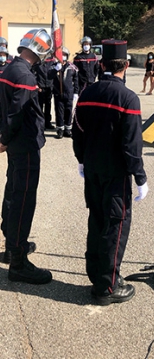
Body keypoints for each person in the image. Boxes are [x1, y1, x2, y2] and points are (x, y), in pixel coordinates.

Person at [72, 39, 147, 305]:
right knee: (115, 225)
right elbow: (131, 144)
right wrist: (139, 176)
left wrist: (81, 160)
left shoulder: (87, 93)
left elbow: (77, 130)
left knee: (97, 220)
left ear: (101, 64)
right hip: (116, 173)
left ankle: (97, 274)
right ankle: (107, 286)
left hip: (92, 169)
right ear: (126, 66)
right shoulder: (128, 97)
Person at [0, 29, 53, 284]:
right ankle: (18, 261)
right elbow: (17, 113)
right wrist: (5, 138)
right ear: (41, 51)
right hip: (25, 145)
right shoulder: (24, 76)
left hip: (16, 145)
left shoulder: (10, 69)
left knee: (12, 192)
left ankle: (12, 245)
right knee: (23, 199)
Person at [53, 47, 79, 139]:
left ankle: (68, 129)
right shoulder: (54, 66)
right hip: (58, 93)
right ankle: (60, 129)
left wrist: (76, 92)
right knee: (59, 112)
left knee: (68, 111)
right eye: (61, 54)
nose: (63, 56)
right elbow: (48, 76)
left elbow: (76, 81)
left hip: (69, 93)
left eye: (64, 55)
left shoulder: (72, 67)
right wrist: (55, 69)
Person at [34, 52, 56, 130]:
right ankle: (40, 124)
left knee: (48, 106)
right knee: (39, 107)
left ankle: (47, 123)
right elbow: (34, 74)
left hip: (49, 87)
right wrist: (36, 85)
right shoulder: (37, 61)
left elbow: (54, 74)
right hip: (40, 87)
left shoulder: (52, 61)